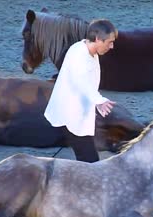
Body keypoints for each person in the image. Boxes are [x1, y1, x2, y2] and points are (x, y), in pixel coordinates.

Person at [44, 19, 118, 162]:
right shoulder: (79, 55)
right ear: (97, 39)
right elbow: (81, 82)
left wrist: (96, 103)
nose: (112, 46)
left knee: (87, 159)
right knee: (90, 161)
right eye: (109, 42)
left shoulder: (90, 51)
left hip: (80, 114)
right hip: (71, 116)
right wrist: (99, 100)